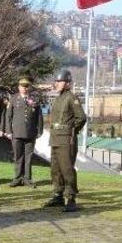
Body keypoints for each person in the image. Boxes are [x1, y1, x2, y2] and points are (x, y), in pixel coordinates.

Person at [42, 70, 86, 213]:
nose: (56, 84)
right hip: (55, 138)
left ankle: (71, 198)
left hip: (66, 139)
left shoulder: (72, 98)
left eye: (59, 82)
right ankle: (58, 195)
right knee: (55, 169)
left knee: (67, 169)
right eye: (56, 81)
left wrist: (72, 130)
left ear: (67, 83)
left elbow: (81, 118)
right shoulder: (58, 98)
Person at [3, 77, 42, 187]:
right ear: (19, 87)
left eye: (26, 86)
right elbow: (8, 116)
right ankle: (17, 178)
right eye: (22, 86)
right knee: (18, 157)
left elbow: (39, 116)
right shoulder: (14, 99)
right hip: (17, 132)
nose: (24, 88)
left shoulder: (34, 99)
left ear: (29, 87)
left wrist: (40, 130)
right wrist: (8, 131)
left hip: (30, 133)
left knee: (28, 157)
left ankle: (27, 179)